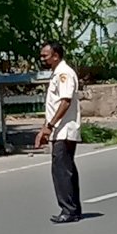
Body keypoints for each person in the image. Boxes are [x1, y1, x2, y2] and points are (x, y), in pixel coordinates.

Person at [35, 41, 82, 224]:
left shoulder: (64, 73)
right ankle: (73, 209)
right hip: (60, 129)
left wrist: (50, 125)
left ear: (56, 56)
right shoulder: (58, 73)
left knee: (61, 170)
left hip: (64, 129)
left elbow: (65, 101)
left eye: (45, 55)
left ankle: (68, 209)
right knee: (67, 169)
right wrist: (45, 127)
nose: (42, 58)